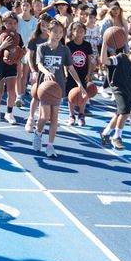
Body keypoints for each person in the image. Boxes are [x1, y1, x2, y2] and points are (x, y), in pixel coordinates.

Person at [32, 18, 80, 158]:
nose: (58, 34)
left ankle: (50, 146)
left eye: (61, 32)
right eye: (55, 31)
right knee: (44, 116)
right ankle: (38, 133)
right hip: (45, 87)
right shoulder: (42, 47)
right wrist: (46, 72)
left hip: (58, 86)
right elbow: (39, 64)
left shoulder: (64, 49)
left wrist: (79, 83)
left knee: (54, 118)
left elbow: (70, 67)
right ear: (48, 31)